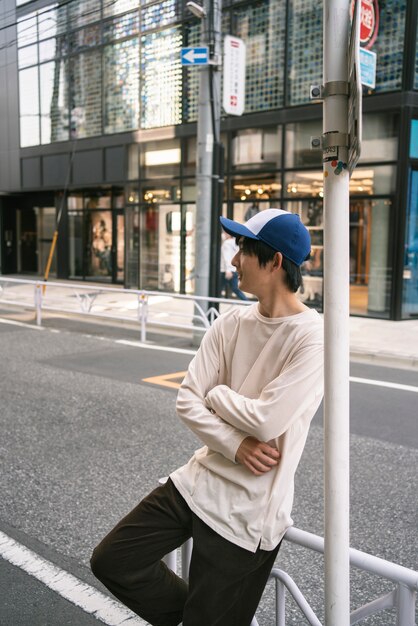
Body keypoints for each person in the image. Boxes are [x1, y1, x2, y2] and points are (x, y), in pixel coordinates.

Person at [90, 208, 324, 626]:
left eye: (243, 251)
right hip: (198, 481)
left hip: (249, 510)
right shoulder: (231, 322)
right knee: (113, 560)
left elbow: (267, 421)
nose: (233, 261)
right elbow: (186, 401)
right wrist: (235, 444)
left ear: (274, 262)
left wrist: (216, 393)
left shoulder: (313, 337)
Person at [220, 232, 248, 300]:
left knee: (218, 288)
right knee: (235, 288)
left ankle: (247, 302)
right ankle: (247, 302)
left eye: (225, 233)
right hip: (234, 269)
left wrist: (228, 270)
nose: (223, 235)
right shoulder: (235, 243)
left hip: (226, 270)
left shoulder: (227, 243)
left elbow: (227, 257)